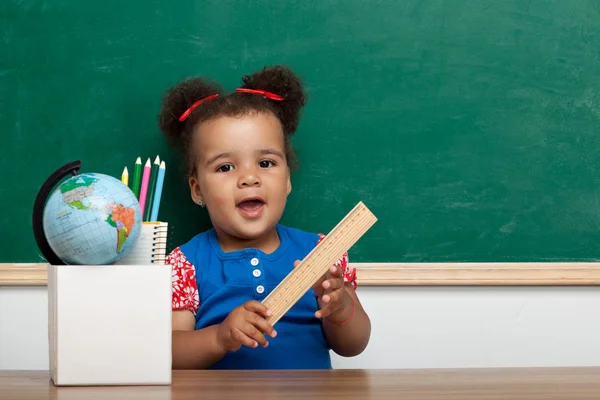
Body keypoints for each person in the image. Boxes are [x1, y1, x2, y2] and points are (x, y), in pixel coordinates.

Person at [158, 65, 371, 370]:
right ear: (197, 190)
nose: (249, 178)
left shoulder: (321, 252)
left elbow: (354, 345)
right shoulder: (185, 264)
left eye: (266, 162)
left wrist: (340, 307)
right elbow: (169, 352)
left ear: (287, 180)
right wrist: (218, 338)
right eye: (225, 167)